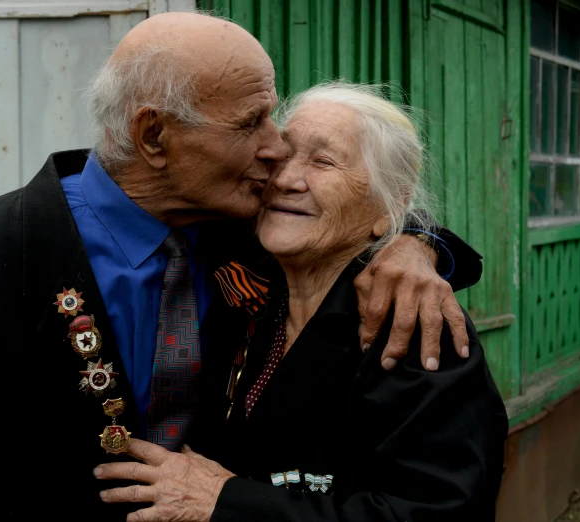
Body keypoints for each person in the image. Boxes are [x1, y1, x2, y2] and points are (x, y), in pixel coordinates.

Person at [0, 14, 482, 522]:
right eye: (251, 122)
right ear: (154, 138)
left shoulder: (251, 233)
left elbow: (362, 208)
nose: (276, 148)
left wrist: (416, 247)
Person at [95, 83, 508, 521]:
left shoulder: (412, 324)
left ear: (391, 206)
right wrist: (421, 240)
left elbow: (435, 512)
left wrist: (224, 501)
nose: (287, 180)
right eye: (282, 156)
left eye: (323, 162)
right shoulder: (248, 279)